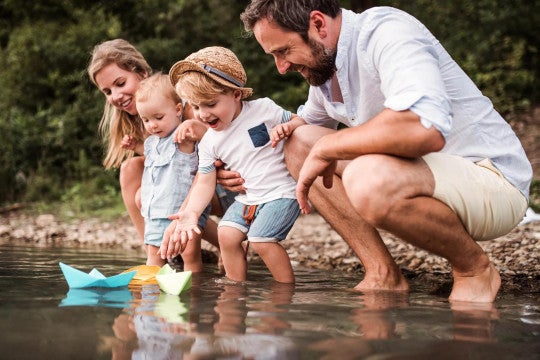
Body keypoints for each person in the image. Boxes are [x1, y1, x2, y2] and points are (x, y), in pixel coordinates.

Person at [239, 1, 532, 302]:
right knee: (298, 143)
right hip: (427, 177)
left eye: (284, 51)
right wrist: (237, 170)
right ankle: (382, 273)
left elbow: (423, 127)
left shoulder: (386, 31)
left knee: (368, 179)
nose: (282, 68)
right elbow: (303, 131)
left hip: (492, 181)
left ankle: (473, 269)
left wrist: (329, 145)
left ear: (318, 24)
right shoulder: (325, 68)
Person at [160, 46, 306, 283]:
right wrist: (191, 213)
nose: (203, 115)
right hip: (248, 198)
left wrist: (288, 127)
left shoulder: (263, 110)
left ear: (236, 94)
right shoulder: (209, 142)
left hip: (281, 192)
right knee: (226, 235)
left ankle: (285, 291)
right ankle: (235, 287)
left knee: (261, 240)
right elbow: (205, 183)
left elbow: (300, 121)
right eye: (196, 107)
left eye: (210, 104)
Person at [87, 39, 231, 265]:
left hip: (221, 185)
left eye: (120, 83)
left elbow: (218, 152)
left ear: (142, 73)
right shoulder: (145, 121)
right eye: (107, 91)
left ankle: (215, 242)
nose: (115, 95)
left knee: (148, 195)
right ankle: (156, 252)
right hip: (186, 191)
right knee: (130, 169)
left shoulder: (185, 108)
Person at [131, 72, 212, 270]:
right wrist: (136, 146)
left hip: (181, 213)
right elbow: (156, 159)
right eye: (146, 120)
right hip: (154, 212)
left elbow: (211, 140)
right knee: (154, 256)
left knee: (190, 255)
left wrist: (193, 126)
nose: (152, 125)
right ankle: (150, 295)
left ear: (177, 110)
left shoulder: (182, 136)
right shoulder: (151, 143)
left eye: (158, 117)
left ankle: (195, 291)